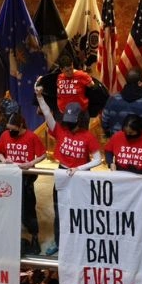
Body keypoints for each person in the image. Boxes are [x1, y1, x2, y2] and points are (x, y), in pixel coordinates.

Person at [36, 92, 102, 255]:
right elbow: (46, 113)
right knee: (60, 210)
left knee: (81, 211)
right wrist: (39, 97)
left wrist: (79, 169)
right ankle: (59, 242)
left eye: (73, 122)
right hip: (62, 173)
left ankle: (81, 242)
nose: (69, 125)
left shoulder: (88, 136)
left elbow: (98, 159)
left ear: (80, 120)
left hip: (80, 176)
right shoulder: (60, 130)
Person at [0, 112, 46, 253]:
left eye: (13, 129)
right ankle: (12, 237)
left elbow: (43, 154)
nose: (10, 131)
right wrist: (3, 160)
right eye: (8, 128)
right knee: (10, 208)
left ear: (21, 126)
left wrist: (30, 163)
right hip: (10, 177)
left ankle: (34, 236)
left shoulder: (31, 136)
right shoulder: (5, 135)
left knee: (29, 208)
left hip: (26, 178)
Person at [105, 114, 142, 215]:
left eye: (131, 133)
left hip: (141, 178)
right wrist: (110, 162)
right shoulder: (118, 136)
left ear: (139, 130)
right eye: (126, 132)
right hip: (121, 177)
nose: (128, 134)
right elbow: (108, 151)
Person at [101, 68, 142, 139]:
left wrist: (110, 134)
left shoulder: (112, 99)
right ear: (139, 83)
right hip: (141, 144)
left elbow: (104, 121)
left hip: (117, 142)